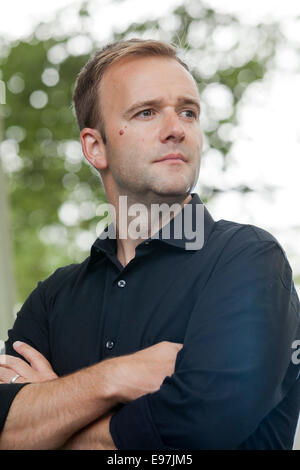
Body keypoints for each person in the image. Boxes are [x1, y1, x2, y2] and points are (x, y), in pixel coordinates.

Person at [0, 38, 299, 450]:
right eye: (146, 112)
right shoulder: (52, 300)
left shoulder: (248, 260)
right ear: (95, 147)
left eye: (188, 112)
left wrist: (55, 414)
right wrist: (117, 377)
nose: (176, 128)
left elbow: (199, 432)